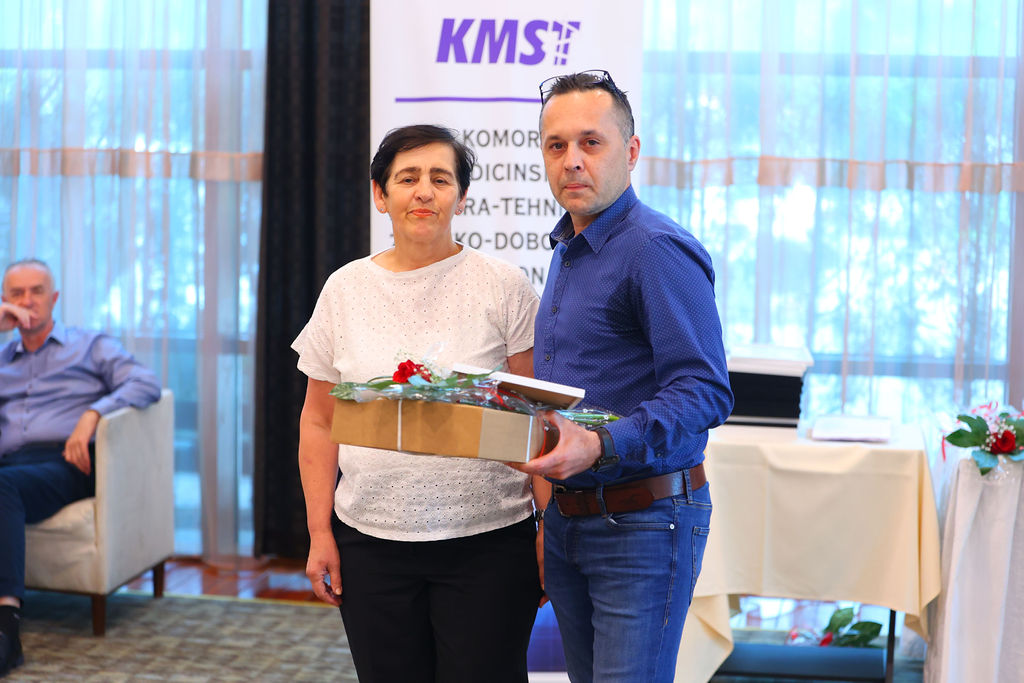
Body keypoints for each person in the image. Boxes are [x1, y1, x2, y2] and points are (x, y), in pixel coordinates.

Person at [292, 124, 549, 683]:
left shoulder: (504, 286)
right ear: (380, 195)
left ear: (462, 195)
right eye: (407, 178)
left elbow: (537, 419)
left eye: (440, 178)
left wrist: (548, 529)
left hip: (489, 542)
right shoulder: (344, 290)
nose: (424, 191)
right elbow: (318, 419)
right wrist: (319, 532)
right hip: (369, 543)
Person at [512, 70, 734, 682]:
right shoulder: (570, 247)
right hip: (570, 519)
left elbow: (706, 391)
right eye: (556, 145)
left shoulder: (655, 249)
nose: (572, 160)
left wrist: (601, 443)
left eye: (591, 142)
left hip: (643, 523)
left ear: (630, 151)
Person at [0, 258, 162, 677]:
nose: (27, 301)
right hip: (10, 464)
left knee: (3, 487)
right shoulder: (2, 356)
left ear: (54, 298)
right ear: (5, 301)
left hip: (66, 464)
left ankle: (6, 627)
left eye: (36, 291)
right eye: (16, 293)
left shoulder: (90, 345)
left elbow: (145, 382)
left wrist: (93, 413)